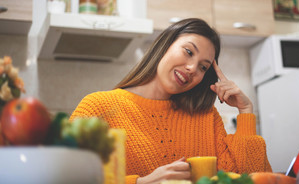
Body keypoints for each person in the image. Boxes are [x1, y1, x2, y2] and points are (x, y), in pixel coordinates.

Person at [70, 18, 272, 184]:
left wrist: (245, 111)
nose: (193, 68)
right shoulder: (97, 108)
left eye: (203, 67)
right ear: (165, 45)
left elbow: (250, 178)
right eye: (189, 52)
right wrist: (140, 183)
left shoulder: (206, 117)